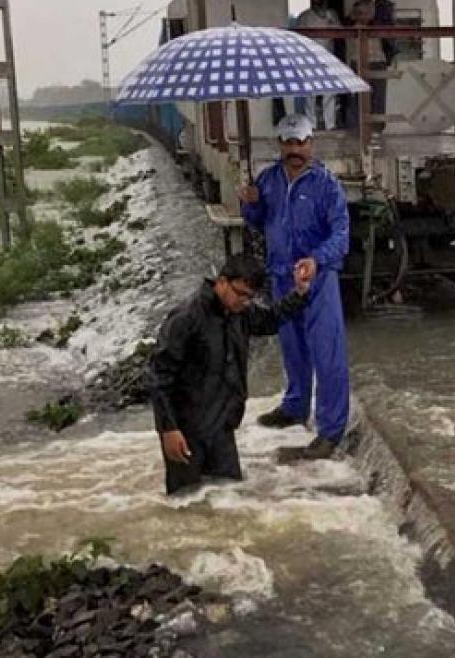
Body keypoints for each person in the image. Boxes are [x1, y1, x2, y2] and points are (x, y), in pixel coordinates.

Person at [148, 254, 312, 496]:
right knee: (186, 504)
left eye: (250, 297)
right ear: (222, 282)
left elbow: (269, 320)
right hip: (187, 430)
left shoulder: (239, 312)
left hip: (222, 427)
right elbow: (158, 376)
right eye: (240, 293)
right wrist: (168, 430)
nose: (244, 301)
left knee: (231, 500)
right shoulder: (186, 318)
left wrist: (299, 293)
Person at [238, 113, 351, 460]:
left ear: (311, 143)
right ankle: (295, 406)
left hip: (317, 277)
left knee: (327, 353)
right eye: (288, 143)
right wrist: (250, 202)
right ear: (279, 145)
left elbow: (341, 235)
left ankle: (331, 430)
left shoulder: (326, 185)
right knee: (292, 347)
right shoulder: (268, 180)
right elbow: (256, 222)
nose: (295, 149)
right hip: (282, 276)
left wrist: (316, 259)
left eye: (300, 142)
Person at [291, 0, 342, 130]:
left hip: (328, 57)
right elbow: (297, 37)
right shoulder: (304, 16)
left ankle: (330, 125)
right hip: (309, 58)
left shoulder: (331, 14)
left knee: (330, 91)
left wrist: (328, 18)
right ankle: (310, 125)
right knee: (310, 93)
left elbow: (340, 31)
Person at [349, 0, 397, 129]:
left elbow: (388, 29)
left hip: (378, 57)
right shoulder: (356, 6)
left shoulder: (384, 6)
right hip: (359, 59)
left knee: (378, 96)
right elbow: (348, 23)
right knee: (359, 97)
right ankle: (360, 129)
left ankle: (377, 130)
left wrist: (369, 21)